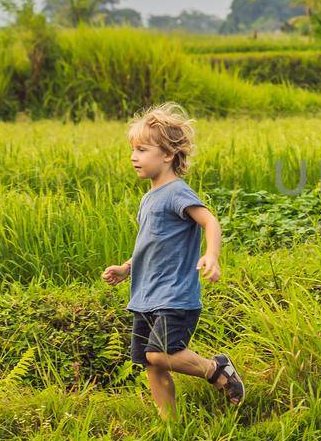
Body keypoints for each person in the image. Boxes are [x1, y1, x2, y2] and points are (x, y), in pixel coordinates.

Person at [102, 102, 244, 419]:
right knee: (151, 363)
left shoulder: (177, 192)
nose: (133, 157)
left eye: (142, 149)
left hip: (174, 296)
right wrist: (126, 268)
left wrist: (211, 255)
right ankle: (170, 425)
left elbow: (210, 221)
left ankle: (216, 368)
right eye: (132, 150)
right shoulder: (148, 198)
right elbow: (148, 245)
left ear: (167, 155)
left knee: (160, 353)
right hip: (146, 296)